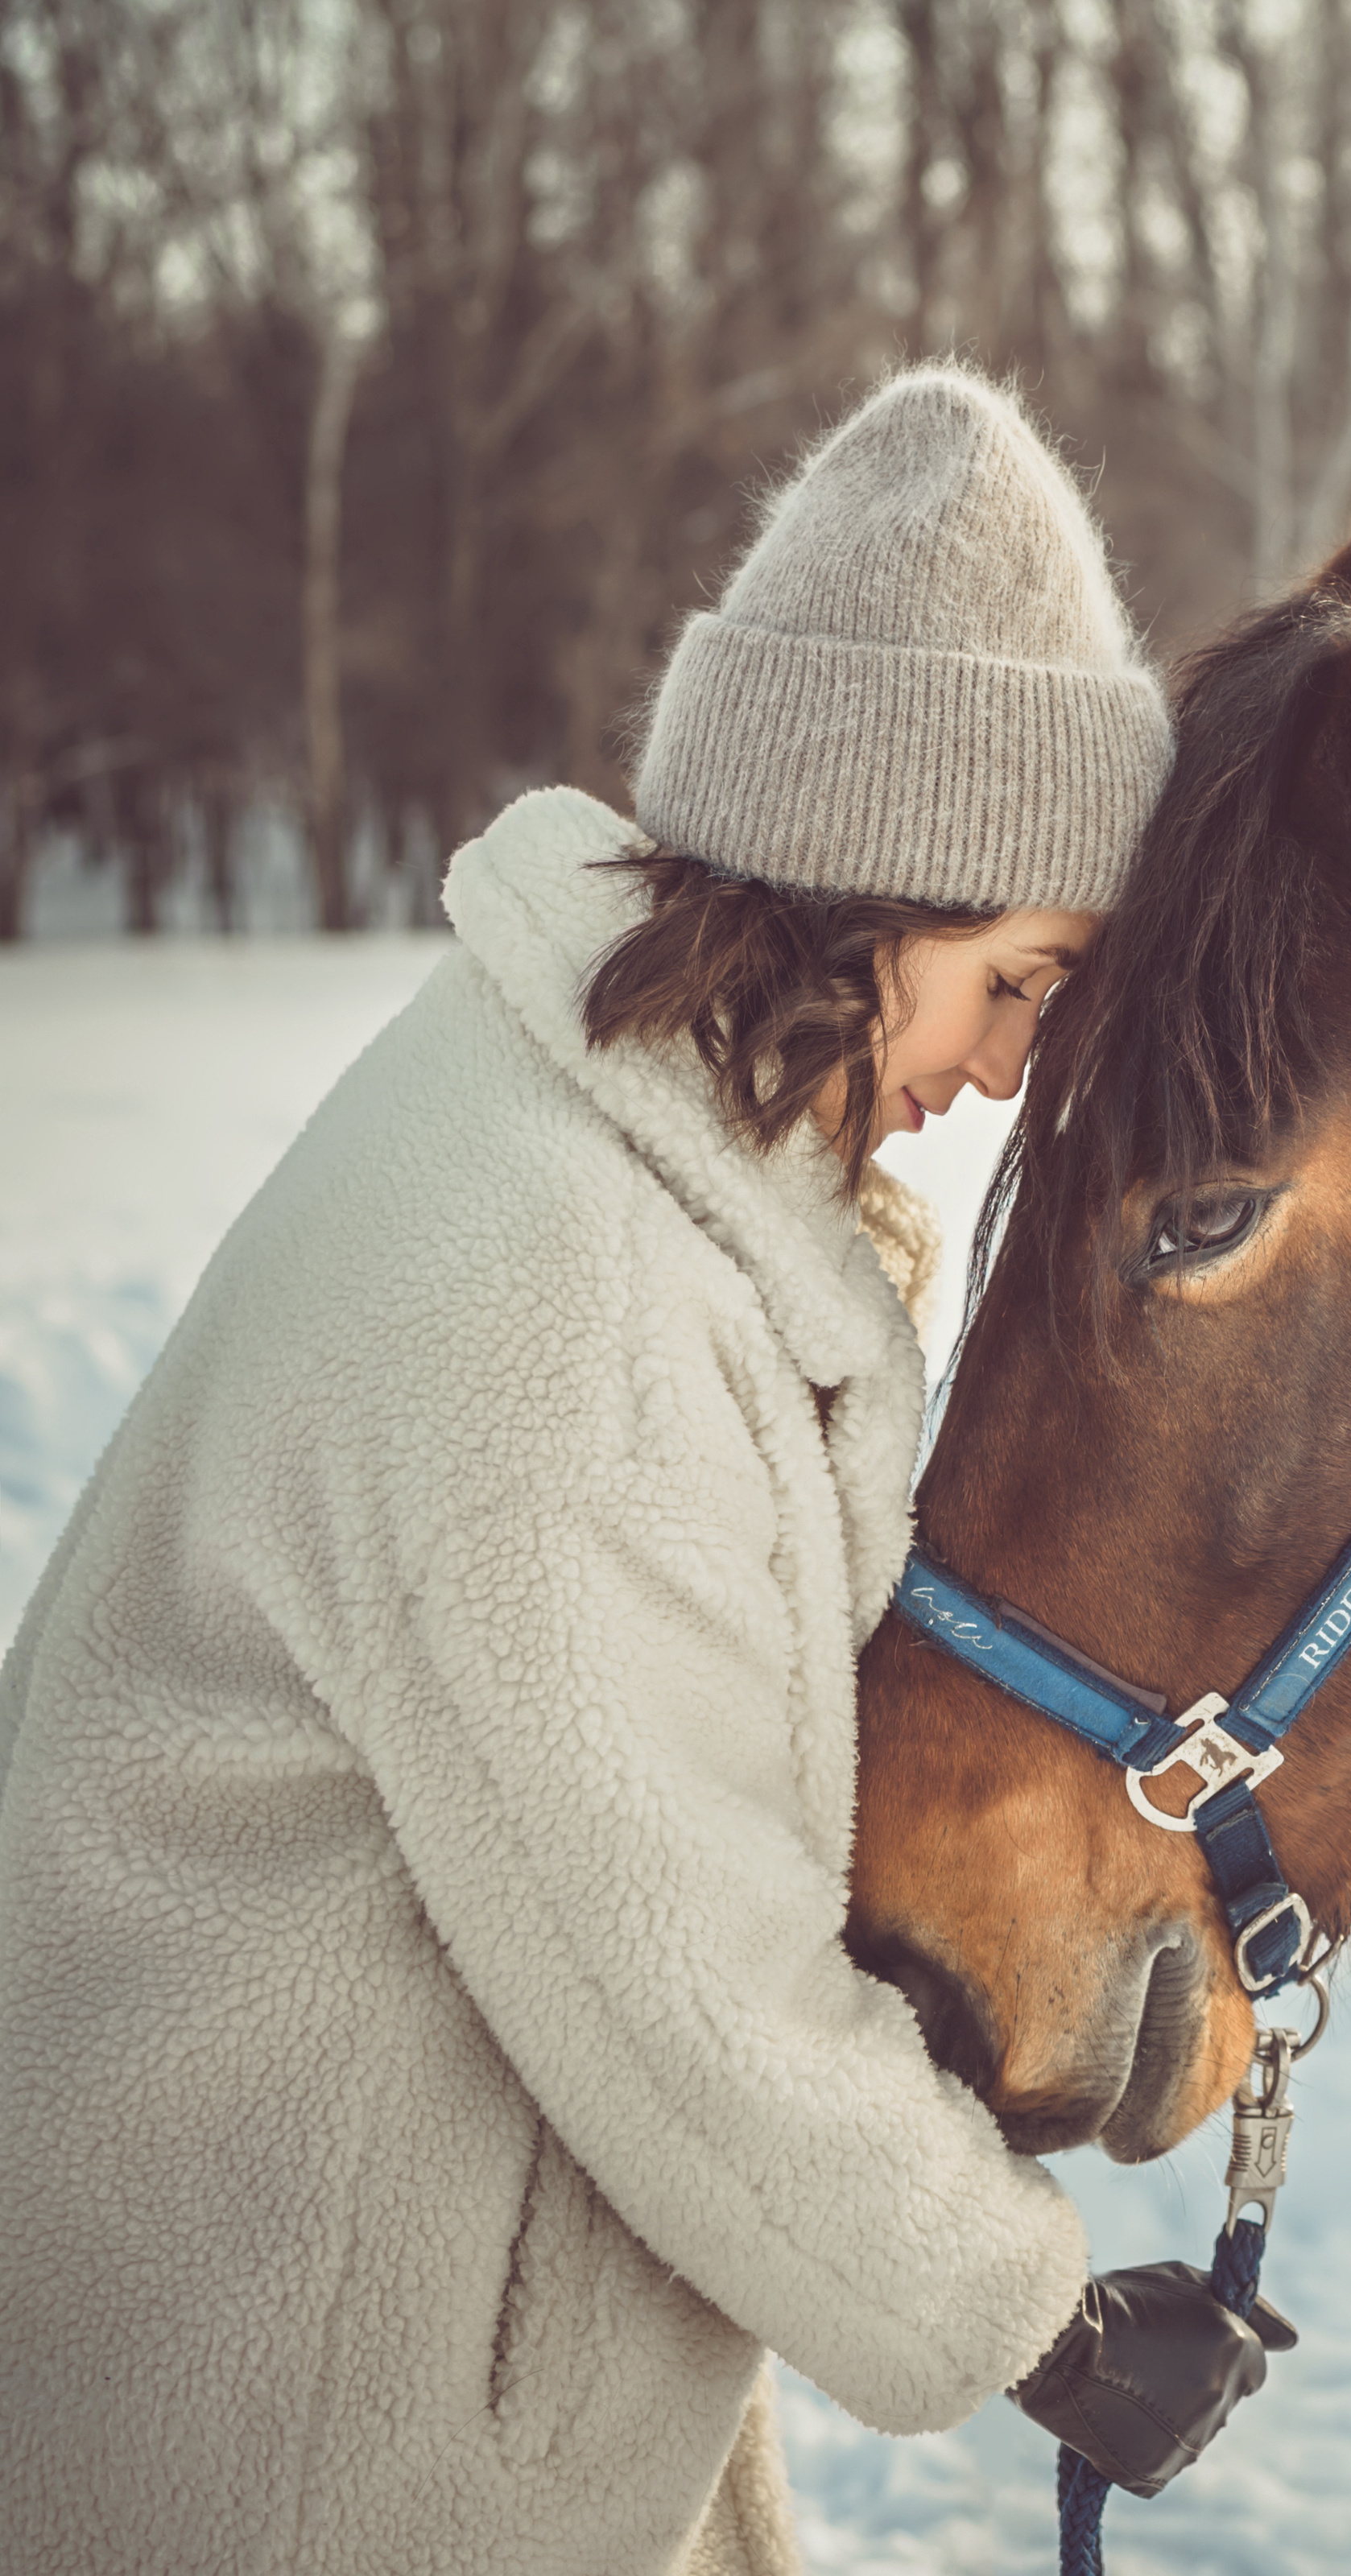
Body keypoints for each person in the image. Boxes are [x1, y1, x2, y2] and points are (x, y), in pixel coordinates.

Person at [0, 366, 1277, 2576]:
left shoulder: (596, 1146)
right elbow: (681, 1986)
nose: (1009, 1069)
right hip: (285, 2408)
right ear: (873, 890)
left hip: (338, 2294)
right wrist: (1045, 2328)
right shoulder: (569, 1296)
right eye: (1017, 978)